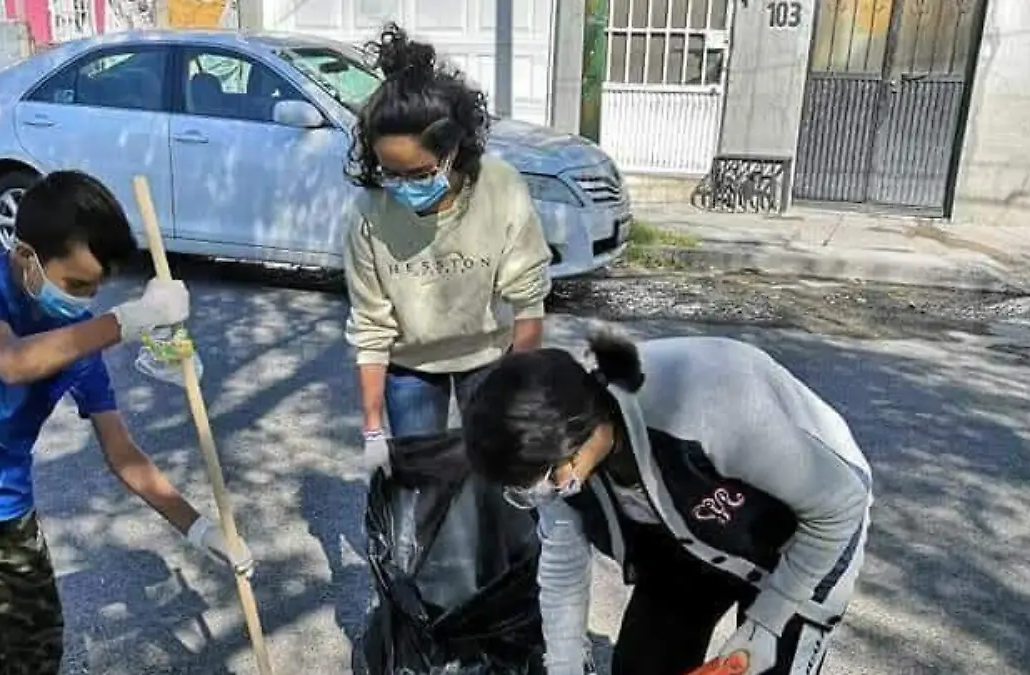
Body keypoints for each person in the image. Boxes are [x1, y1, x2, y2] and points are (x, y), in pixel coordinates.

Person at [0, 171, 254, 675]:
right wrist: (131, 319)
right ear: (26, 256)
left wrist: (202, 531)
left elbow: (123, 453)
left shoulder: (77, 337)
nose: (87, 299)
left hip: (4, 510)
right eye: (77, 284)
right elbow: (11, 360)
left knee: (37, 652)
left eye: (97, 288)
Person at [461, 331, 874, 675]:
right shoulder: (551, 462)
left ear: (583, 433)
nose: (547, 493)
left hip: (803, 529)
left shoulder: (707, 408)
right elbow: (563, 566)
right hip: (688, 536)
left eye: (551, 477)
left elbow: (839, 506)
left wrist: (768, 622)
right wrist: (564, 666)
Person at [343, 22, 552, 466]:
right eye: (388, 172)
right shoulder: (369, 214)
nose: (401, 187)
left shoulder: (499, 187)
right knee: (421, 483)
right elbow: (371, 328)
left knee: (499, 479)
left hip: (489, 357)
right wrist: (373, 427)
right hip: (410, 368)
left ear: (452, 151)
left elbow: (528, 301)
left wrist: (522, 394)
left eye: (417, 174)